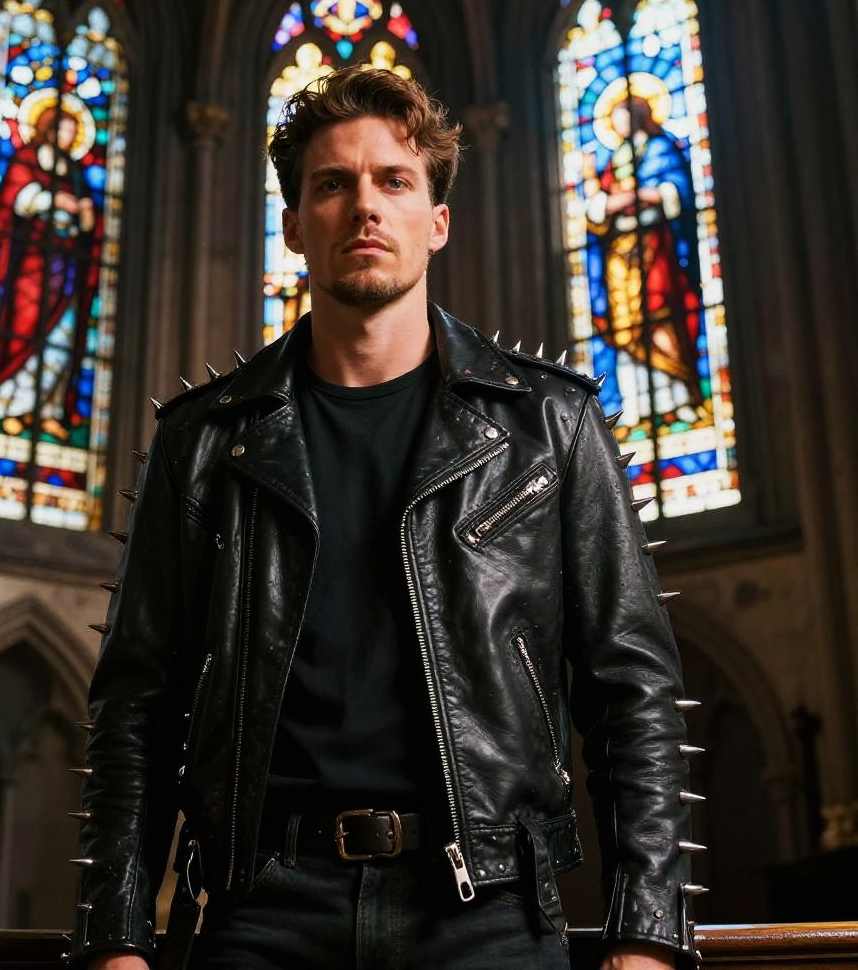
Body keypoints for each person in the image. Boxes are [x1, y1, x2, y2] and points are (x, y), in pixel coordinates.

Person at [66, 67, 705, 970]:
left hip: (485, 911)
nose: (364, 206)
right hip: (263, 910)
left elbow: (630, 685)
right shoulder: (203, 442)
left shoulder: (548, 427)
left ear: (436, 222)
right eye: (332, 184)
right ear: (293, 226)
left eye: (394, 181)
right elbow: (136, 701)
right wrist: (113, 937)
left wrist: (649, 934)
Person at [0, 103, 100, 442]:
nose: (68, 137)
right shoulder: (27, 159)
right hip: (32, 261)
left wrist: (87, 219)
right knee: (25, 327)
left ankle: (47, 410)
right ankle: (10, 406)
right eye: (63, 130)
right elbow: (13, 199)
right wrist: (53, 201)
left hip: (67, 264)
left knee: (60, 339)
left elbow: (90, 223)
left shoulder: (75, 173)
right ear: (47, 130)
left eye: (73, 133)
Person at [584, 94, 705, 426]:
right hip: (618, 255)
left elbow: (675, 192)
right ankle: (635, 407)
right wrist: (605, 201)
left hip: (654, 245)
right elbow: (595, 212)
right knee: (626, 329)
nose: (619, 124)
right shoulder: (611, 161)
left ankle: (679, 396)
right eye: (616, 119)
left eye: (624, 116)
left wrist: (635, 196)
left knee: (660, 313)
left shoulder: (660, 149)